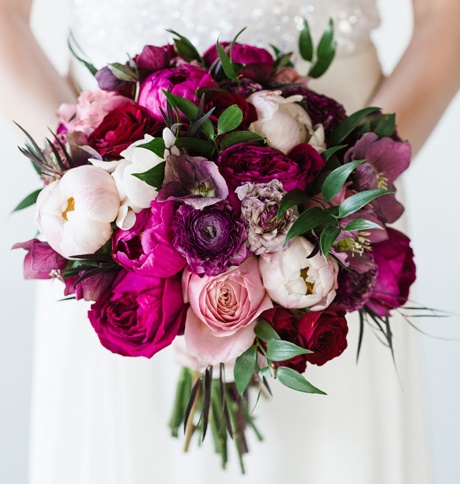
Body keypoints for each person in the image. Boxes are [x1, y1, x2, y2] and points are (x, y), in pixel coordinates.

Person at [0, 1, 459, 483]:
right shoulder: (100, 195)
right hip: (113, 191)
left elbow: (445, 19)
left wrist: (348, 179)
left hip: (330, 196)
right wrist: (84, 182)